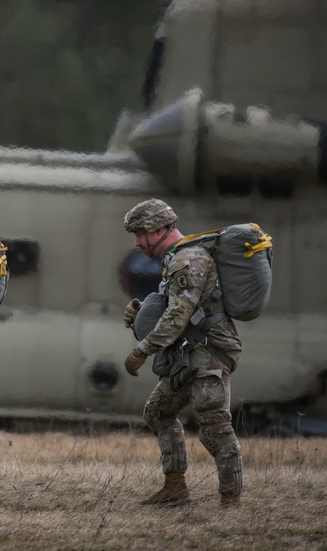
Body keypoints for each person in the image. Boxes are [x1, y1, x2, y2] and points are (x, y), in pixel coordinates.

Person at [122, 198, 243, 507]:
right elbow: (175, 307)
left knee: (215, 427)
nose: (136, 242)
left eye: (140, 233)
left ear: (159, 229)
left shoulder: (188, 260)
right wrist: (142, 314)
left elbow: (180, 313)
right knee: (158, 411)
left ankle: (231, 501)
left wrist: (143, 349)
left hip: (209, 353)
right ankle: (175, 488)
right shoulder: (176, 259)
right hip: (191, 354)